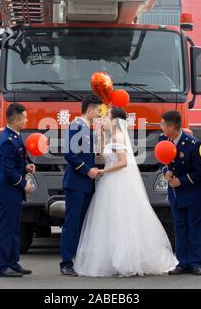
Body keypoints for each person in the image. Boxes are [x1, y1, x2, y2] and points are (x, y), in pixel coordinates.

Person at [73, 107, 177, 277]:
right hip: (109, 182)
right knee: (109, 220)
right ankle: (113, 258)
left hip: (116, 180)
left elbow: (122, 163)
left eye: (106, 116)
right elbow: (103, 158)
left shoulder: (118, 136)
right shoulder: (110, 136)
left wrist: (102, 172)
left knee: (120, 218)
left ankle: (123, 259)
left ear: (115, 120)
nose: (103, 118)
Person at [158, 111, 201, 276]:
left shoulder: (193, 144)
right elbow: (162, 161)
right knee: (179, 228)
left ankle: (195, 263)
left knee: (194, 228)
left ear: (172, 127)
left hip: (192, 193)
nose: (161, 127)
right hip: (175, 194)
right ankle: (182, 262)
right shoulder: (163, 140)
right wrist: (165, 171)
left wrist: (182, 180)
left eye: (163, 124)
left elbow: (200, 171)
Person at [60, 95, 102, 276]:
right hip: (76, 183)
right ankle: (66, 262)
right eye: (99, 110)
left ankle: (77, 259)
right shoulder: (76, 126)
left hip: (85, 184)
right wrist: (88, 171)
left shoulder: (87, 128)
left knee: (83, 224)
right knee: (72, 224)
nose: (100, 113)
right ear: (90, 109)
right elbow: (69, 154)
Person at [0, 103, 35, 278]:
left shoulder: (15, 136)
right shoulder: (6, 141)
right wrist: (23, 184)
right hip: (8, 192)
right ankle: (1, 267)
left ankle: (12, 262)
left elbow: (17, 162)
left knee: (14, 229)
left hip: (13, 192)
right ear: (16, 120)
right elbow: (8, 170)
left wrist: (26, 167)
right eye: (24, 117)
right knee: (6, 229)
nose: (26, 120)